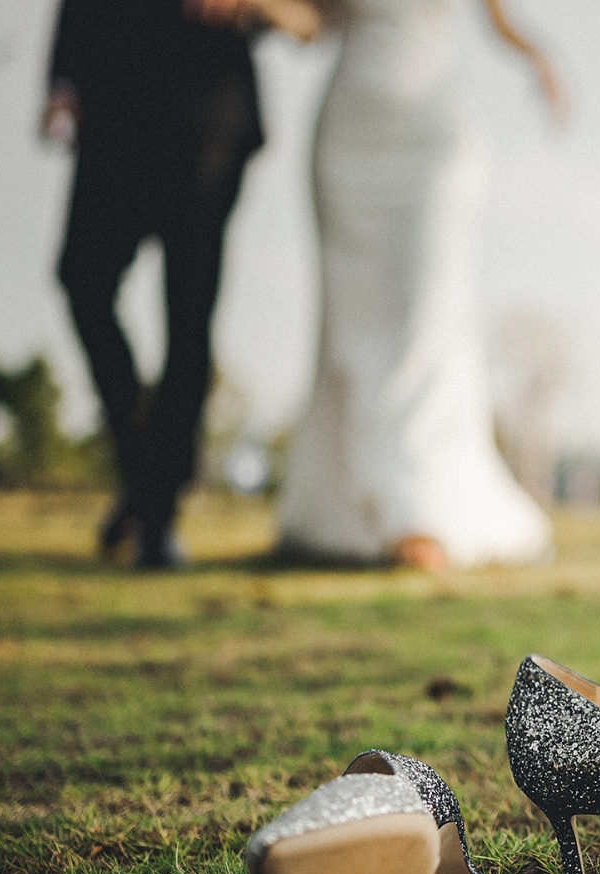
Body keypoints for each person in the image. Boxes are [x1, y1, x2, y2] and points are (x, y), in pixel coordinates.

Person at [205, 0, 563, 569]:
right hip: (352, 130)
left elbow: (498, 20)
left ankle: (414, 507)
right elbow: (314, 24)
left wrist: (539, 59)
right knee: (353, 319)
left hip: (433, 131)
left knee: (426, 312)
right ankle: (358, 513)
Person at [44, 0, 264, 568]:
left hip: (207, 107)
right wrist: (63, 78)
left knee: (187, 315)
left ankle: (156, 516)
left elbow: (308, 16)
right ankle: (148, 477)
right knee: (81, 280)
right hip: (115, 100)